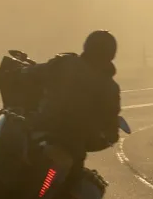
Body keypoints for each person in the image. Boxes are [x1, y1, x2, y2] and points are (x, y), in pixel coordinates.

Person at [21, 30, 122, 175]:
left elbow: (34, 73)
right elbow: (112, 130)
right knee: (73, 180)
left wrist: (23, 71)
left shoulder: (66, 63)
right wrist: (102, 137)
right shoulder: (111, 88)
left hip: (41, 130)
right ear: (111, 54)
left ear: (87, 46)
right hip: (73, 145)